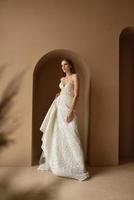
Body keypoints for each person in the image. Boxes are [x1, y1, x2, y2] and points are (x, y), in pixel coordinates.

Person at [37, 59, 90, 181]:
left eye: (65, 64)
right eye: (61, 65)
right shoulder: (62, 80)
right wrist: (59, 95)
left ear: (70, 65)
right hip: (59, 107)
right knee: (58, 135)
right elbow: (64, 92)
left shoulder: (75, 77)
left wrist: (71, 111)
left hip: (67, 108)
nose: (63, 67)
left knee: (72, 135)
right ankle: (59, 163)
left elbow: (76, 95)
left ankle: (80, 168)